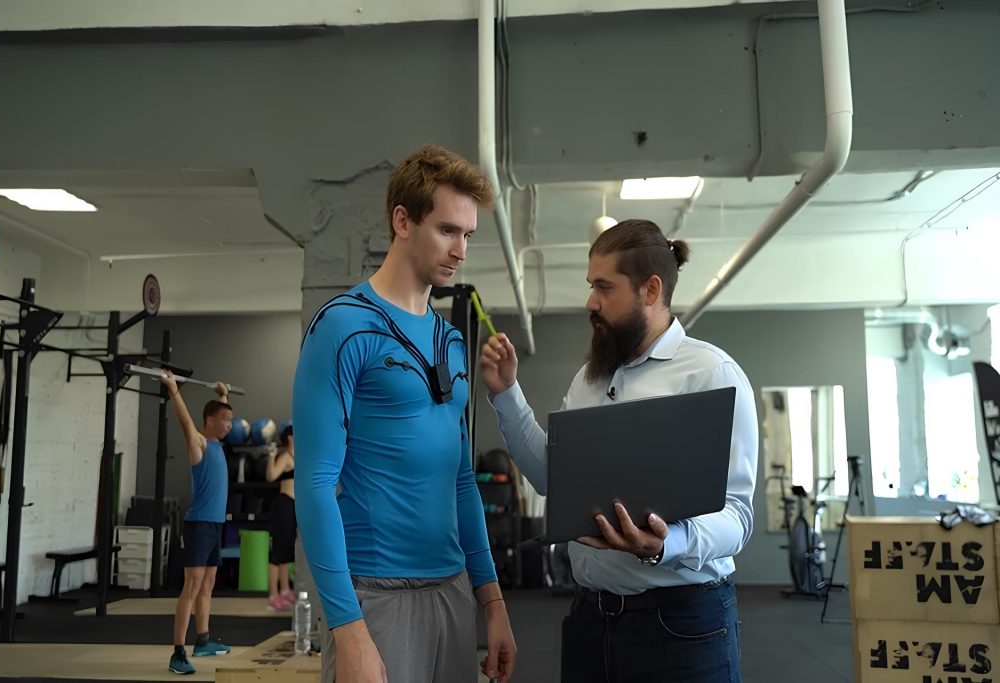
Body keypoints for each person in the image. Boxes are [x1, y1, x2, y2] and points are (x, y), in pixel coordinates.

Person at [480, 219, 758, 683]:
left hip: (681, 624)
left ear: (651, 290)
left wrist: (667, 544)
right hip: (590, 620)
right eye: (591, 286)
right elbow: (553, 480)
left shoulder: (711, 374)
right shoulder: (590, 378)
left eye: (604, 288)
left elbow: (738, 516)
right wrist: (507, 393)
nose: (591, 302)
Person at [293, 144, 518, 683]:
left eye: (468, 234)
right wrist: (347, 627)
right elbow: (315, 483)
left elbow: (461, 480)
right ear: (402, 221)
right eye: (447, 230)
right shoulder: (343, 326)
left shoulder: (451, 342)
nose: (461, 250)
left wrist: (491, 601)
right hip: (376, 597)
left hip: (452, 590)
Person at [161, 371, 235, 675]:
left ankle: (202, 640)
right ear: (209, 421)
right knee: (191, 586)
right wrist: (173, 389)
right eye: (225, 420)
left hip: (215, 525)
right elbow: (185, 422)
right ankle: (177, 652)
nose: (230, 425)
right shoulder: (199, 444)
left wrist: (222, 394)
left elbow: (219, 410)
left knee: (208, 583)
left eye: (231, 420)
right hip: (199, 524)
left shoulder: (218, 445)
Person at [265, 424, 296, 611]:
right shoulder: (285, 456)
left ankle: (284, 590)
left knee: (287, 549)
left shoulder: (297, 456)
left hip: (293, 506)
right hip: (283, 504)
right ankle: (273, 594)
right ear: (290, 438)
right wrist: (271, 456)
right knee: (278, 550)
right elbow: (271, 476)